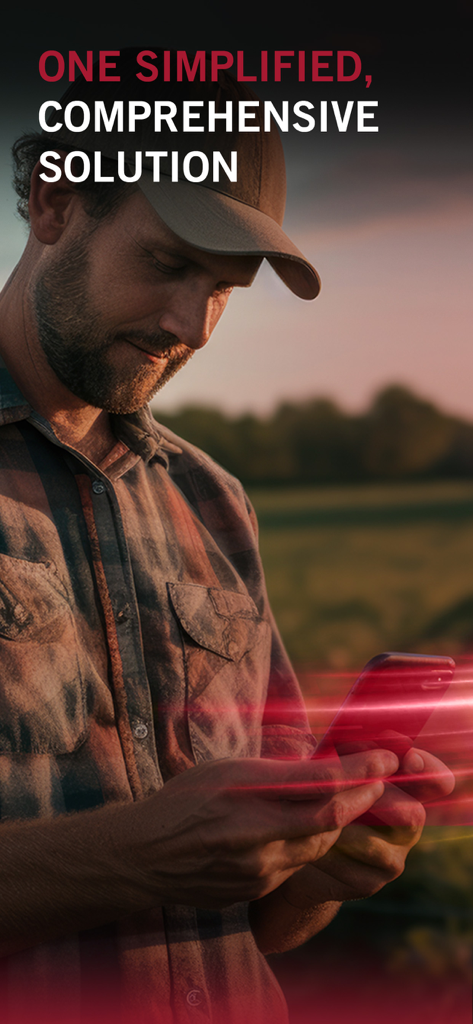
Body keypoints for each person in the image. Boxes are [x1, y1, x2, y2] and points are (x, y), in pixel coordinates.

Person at [0, 49, 453, 1024]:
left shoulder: (211, 502)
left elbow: (258, 924)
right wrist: (126, 856)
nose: (192, 325)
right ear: (50, 203)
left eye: (224, 287)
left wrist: (316, 865)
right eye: (166, 263)